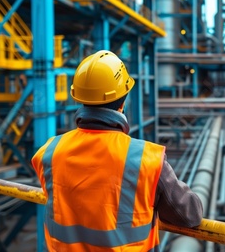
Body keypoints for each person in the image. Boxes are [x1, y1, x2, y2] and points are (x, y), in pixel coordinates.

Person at [32, 50, 203, 251]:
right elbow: (189, 215)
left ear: (79, 97)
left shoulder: (49, 152)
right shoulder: (145, 158)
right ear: (123, 101)